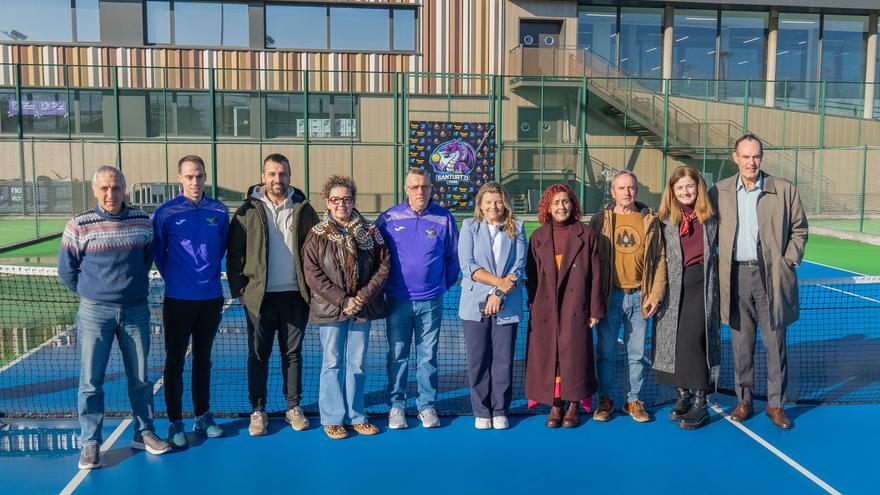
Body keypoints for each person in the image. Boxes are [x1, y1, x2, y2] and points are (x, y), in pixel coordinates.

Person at [58, 166, 170, 470]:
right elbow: (66, 272)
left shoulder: (142, 222)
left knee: (141, 379)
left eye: (116, 188)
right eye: (105, 189)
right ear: (95, 191)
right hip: (95, 313)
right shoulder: (79, 225)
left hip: (136, 311)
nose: (111, 194)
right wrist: (95, 294)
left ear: (125, 190)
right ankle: (90, 442)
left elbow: (146, 259)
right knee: (91, 381)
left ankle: (144, 432)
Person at [709, 134, 808, 429]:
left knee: (775, 343)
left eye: (756, 156)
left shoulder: (784, 190)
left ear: (761, 158)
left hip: (772, 278)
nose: (751, 162)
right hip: (735, 276)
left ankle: (775, 404)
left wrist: (787, 261)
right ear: (735, 157)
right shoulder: (719, 191)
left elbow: (800, 230)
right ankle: (744, 400)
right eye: (746, 156)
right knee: (741, 344)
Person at [227, 153, 319, 436]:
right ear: (263, 176)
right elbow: (235, 256)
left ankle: (293, 407)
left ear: (290, 176)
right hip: (259, 299)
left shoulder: (304, 208)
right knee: (258, 355)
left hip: (295, 296)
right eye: (272, 174)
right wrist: (242, 292)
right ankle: (258, 410)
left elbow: (315, 249)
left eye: (282, 174)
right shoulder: (246, 211)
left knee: (292, 354)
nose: (277, 179)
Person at [302, 175, 390, 440]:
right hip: (330, 310)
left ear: (354, 201)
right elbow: (312, 273)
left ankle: (357, 415)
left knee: (357, 364)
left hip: (362, 310)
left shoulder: (372, 232)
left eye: (347, 199)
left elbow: (383, 266)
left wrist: (360, 298)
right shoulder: (316, 236)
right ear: (327, 202)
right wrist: (343, 300)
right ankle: (332, 419)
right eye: (335, 200)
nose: (341, 204)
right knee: (332, 363)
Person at [152, 155, 228, 447]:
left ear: (205, 176)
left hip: (210, 298)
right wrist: (178, 280)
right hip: (178, 299)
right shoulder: (165, 213)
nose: (194, 182)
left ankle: (203, 415)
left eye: (199, 176)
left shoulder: (219, 210)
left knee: (203, 360)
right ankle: (174, 423)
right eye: (189, 177)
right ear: (179, 179)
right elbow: (160, 252)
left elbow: (220, 245)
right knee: (174, 363)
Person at [377, 167, 459, 429]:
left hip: (431, 301)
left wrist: (438, 287)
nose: (419, 191)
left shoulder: (444, 218)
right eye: (414, 187)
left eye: (424, 186)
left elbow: (453, 258)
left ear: (431, 188)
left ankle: (426, 405)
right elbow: (377, 256)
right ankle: (397, 406)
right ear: (406, 189)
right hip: (397, 301)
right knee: (397, 355)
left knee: (428, 356)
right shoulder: (388, 217)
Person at [589, 170, 666, 423]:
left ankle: (633, 400)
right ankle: (605, 399)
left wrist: (654, 294)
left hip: (639, 298)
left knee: (637, 355)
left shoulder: (649, 220)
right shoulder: (601, 219)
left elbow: (659, 260)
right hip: (610, 297)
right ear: (613, 192)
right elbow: (591, 261)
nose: (627, 192)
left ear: (636, 190)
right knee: (606, 353)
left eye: (631, 187)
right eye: (621, 188)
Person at [525, 184, 604, 428]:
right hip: (545, 308)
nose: (562, 207)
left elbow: (596, 276)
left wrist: (594, 310)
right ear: (548, 207)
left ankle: (573, 403)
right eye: (556, 203)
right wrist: (533, 304)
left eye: (566, 202)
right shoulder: (537, 236)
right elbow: (531, 275)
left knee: (574, 356)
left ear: (573, 205)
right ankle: (556, 404)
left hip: (575, 305)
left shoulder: (587, 234)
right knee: (551, 356)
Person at [652, 166, 721, 430]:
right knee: (675, 340)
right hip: (674, 286)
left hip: (701, 284)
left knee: (694, 340)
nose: (685, 192)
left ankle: (701, 402)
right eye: (679, 188)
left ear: (698, 187)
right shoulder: (666, 219)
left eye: (689, 186)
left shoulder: (711, 216)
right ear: (672, 191)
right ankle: (682, 396)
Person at [458, 182, 527, 430]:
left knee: (503, 359)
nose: (493, 207)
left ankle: (500, 409)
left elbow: (518, 266)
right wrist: (496, 284)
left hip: (506, 303)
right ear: (481, 205)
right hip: (473, 303)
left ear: (505, 203)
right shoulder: (469, 227)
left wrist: (498, 293)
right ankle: (481, 410)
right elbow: (468, 266)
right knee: (478, 359)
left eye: (497, 201)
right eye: (488, 202)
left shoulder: (517, 228)